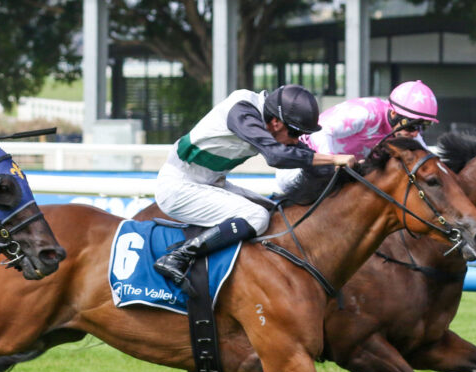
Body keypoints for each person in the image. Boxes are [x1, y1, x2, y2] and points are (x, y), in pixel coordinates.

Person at [153, 84, 356, 292]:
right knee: (257, 218)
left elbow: (303, 155)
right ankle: (178, 257)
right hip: (178, 188)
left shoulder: (270, 122)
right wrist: (332, 158)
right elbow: (276, 156)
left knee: (274, 214)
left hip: (208, 184)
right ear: (276, 123)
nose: (296, 140)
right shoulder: (242, 112)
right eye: (296, 133)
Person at [276, 79, 439, 196]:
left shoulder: (405, 131)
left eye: (422, 127)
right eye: (411, 126)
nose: (415, 134)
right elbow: (320, 132)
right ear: (394, 113)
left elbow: (426, 161)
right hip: (297, 168)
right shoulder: (366, 112)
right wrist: (334, 163)